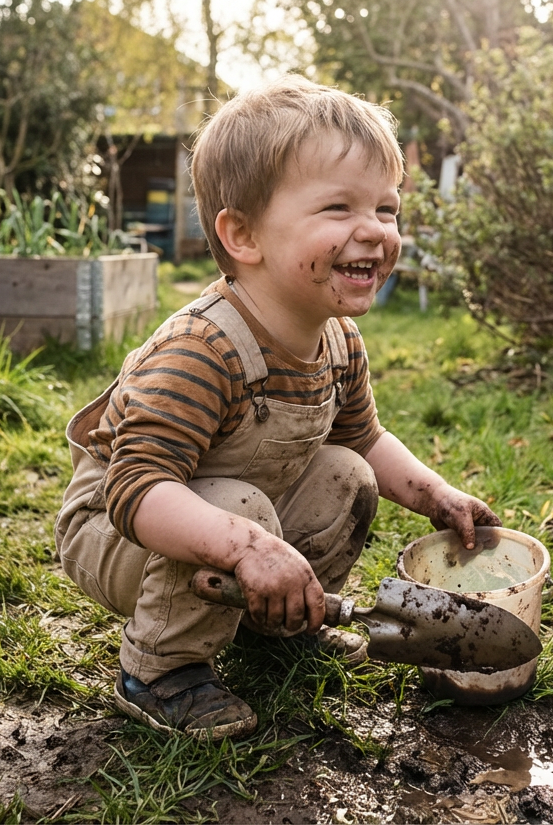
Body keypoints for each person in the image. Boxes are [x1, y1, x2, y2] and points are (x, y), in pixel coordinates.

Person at [54, 74, 501, 741]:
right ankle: (161, 669)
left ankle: (283, 621)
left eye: (386, 209)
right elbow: (136, 487)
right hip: (119, 533)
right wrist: (250, 545)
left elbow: (367, 441)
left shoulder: (338, 341)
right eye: (338, 208)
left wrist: (438, 496)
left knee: (348, 474)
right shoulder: (201, 350)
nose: (374, 231)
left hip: (232, 511)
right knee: (240, 511)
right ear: (244, 235)